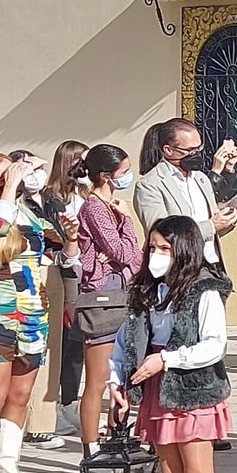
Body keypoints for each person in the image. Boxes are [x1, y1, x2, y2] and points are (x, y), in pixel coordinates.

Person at [107, 216, 232, 473]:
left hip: (193, 390)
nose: (156, 255)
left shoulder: (204, 290)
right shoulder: (147, 291)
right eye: (152, 247)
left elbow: (214, 345)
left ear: (184, 250)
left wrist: (167, 359)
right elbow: (127, 340)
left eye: (165, 248)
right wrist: (116, 381)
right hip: (157, 389)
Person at [0, 153, 54, 473]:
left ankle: (7, 466)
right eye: (0, 177)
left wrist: (34, 168)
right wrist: (10, 186)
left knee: (20, 395)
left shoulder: (28, 209)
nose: (8, 181)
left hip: (31, 310)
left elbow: (55, 246)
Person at [73, 144, 144, 457]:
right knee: (98, 378)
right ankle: (89, 447)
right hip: (102, 297)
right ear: (105, 176)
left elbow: (135, 259)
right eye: (124, 172)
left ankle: (118, 438)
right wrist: (127, 221)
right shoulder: (94, 207)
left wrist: (123, 252)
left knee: (120, 375)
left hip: (122, 292)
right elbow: (123, 252)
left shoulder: (110, 205)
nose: (128, 177)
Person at [134, 118, 237, 275]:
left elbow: (212, 231)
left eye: (199, 148)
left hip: (210, 266)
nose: (196, 154)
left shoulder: (200, 179)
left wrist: (229, 217)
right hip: (176, 270)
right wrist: (211, 225)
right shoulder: (150, 184)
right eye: (190, 150)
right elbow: (161, 234)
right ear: (168, 150)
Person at [38, 140, 89, 441]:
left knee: (77, 344)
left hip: (86, 271)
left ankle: (70, 400)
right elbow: (56, 236)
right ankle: (52, 404)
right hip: (63, 271)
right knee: (63, 338)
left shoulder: (86, 194)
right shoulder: (50, 197)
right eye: (81, 161)